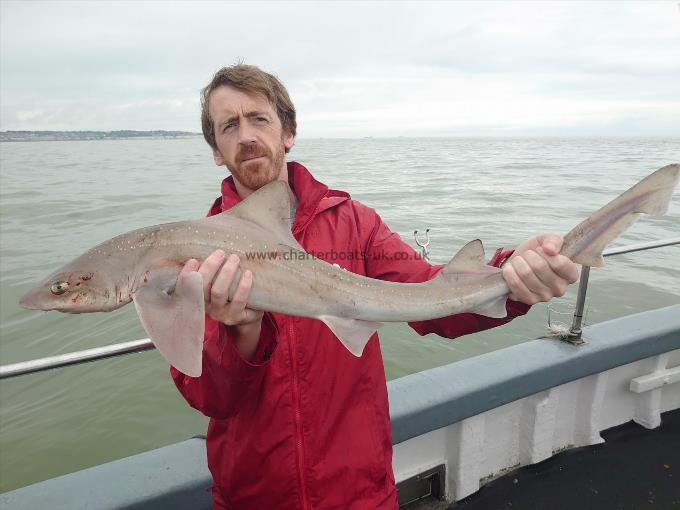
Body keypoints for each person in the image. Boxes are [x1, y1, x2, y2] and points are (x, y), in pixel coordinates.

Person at [171, 64, 579, 510]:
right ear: (215, 149)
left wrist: (512, 276)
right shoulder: (194, 258)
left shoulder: (355, 225)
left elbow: (432, 296)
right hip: (253, 497)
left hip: (358, 492)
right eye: (229, 125)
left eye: (259, 118)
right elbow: (209, 397)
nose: (246, 135)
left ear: (287, 132)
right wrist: (240, 334)